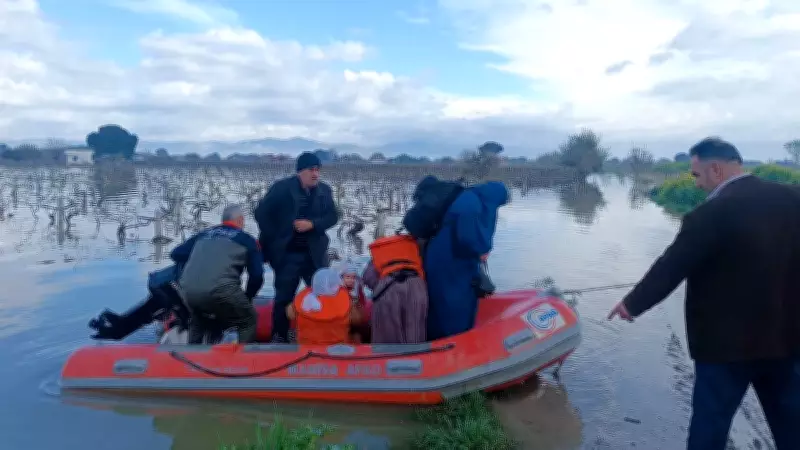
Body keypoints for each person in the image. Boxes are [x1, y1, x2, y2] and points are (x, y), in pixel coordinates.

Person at [607, 137, 800, 450]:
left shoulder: (710, 214)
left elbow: (671, 267)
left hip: (726, 348)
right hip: (786, 340)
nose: (696, 184)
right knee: (792, 426)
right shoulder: (793, 199)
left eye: (696, 176)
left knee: (709, 429)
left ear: (716, 170)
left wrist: (632, 304)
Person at [254, 152, 339, 343]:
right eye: (311, 170)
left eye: (318, 170)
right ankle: (279, 337)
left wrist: (313, 225)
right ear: (300, 171)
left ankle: (321, 335)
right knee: (283, 297)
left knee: (322, 296)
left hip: (314, 255)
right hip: (287, 255)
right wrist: (277, 236)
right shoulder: (281, 189)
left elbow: (333, 217)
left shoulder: (325, 190)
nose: (315, 174)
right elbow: (260, 214)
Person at [424, 180, 509, 340]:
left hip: (446, 256)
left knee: (445, 299)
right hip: (451, 261)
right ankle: (451, 340)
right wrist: (481, 250)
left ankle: (442, 336)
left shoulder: (470, 198)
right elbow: (467, 237)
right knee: (453, 302)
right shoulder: (471, 205)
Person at [170, 204, 264, 344]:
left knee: (198, 320)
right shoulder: (247, 240)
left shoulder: (204, 234)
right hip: (222, 290)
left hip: (188, 290)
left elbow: (176, 254)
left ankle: (190, 357)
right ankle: (242, 362)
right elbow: (257, 276)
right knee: (248, 320)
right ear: (240, 220)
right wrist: (248, 297)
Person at [362, 235, 429, 344]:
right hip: (416, 285)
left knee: (388, 336)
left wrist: (379, 286)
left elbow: (367, 277)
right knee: (415, 331)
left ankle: (387, 358)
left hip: (388, 287)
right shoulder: (413, 247)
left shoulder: (380, 251)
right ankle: (415, 357)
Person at [286, 267, 363, 345]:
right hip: (337, 349)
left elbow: (290, 315)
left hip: (307, 348)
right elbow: (357, 320)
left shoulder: (303, 298)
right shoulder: (346, 300)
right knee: (355, 335)